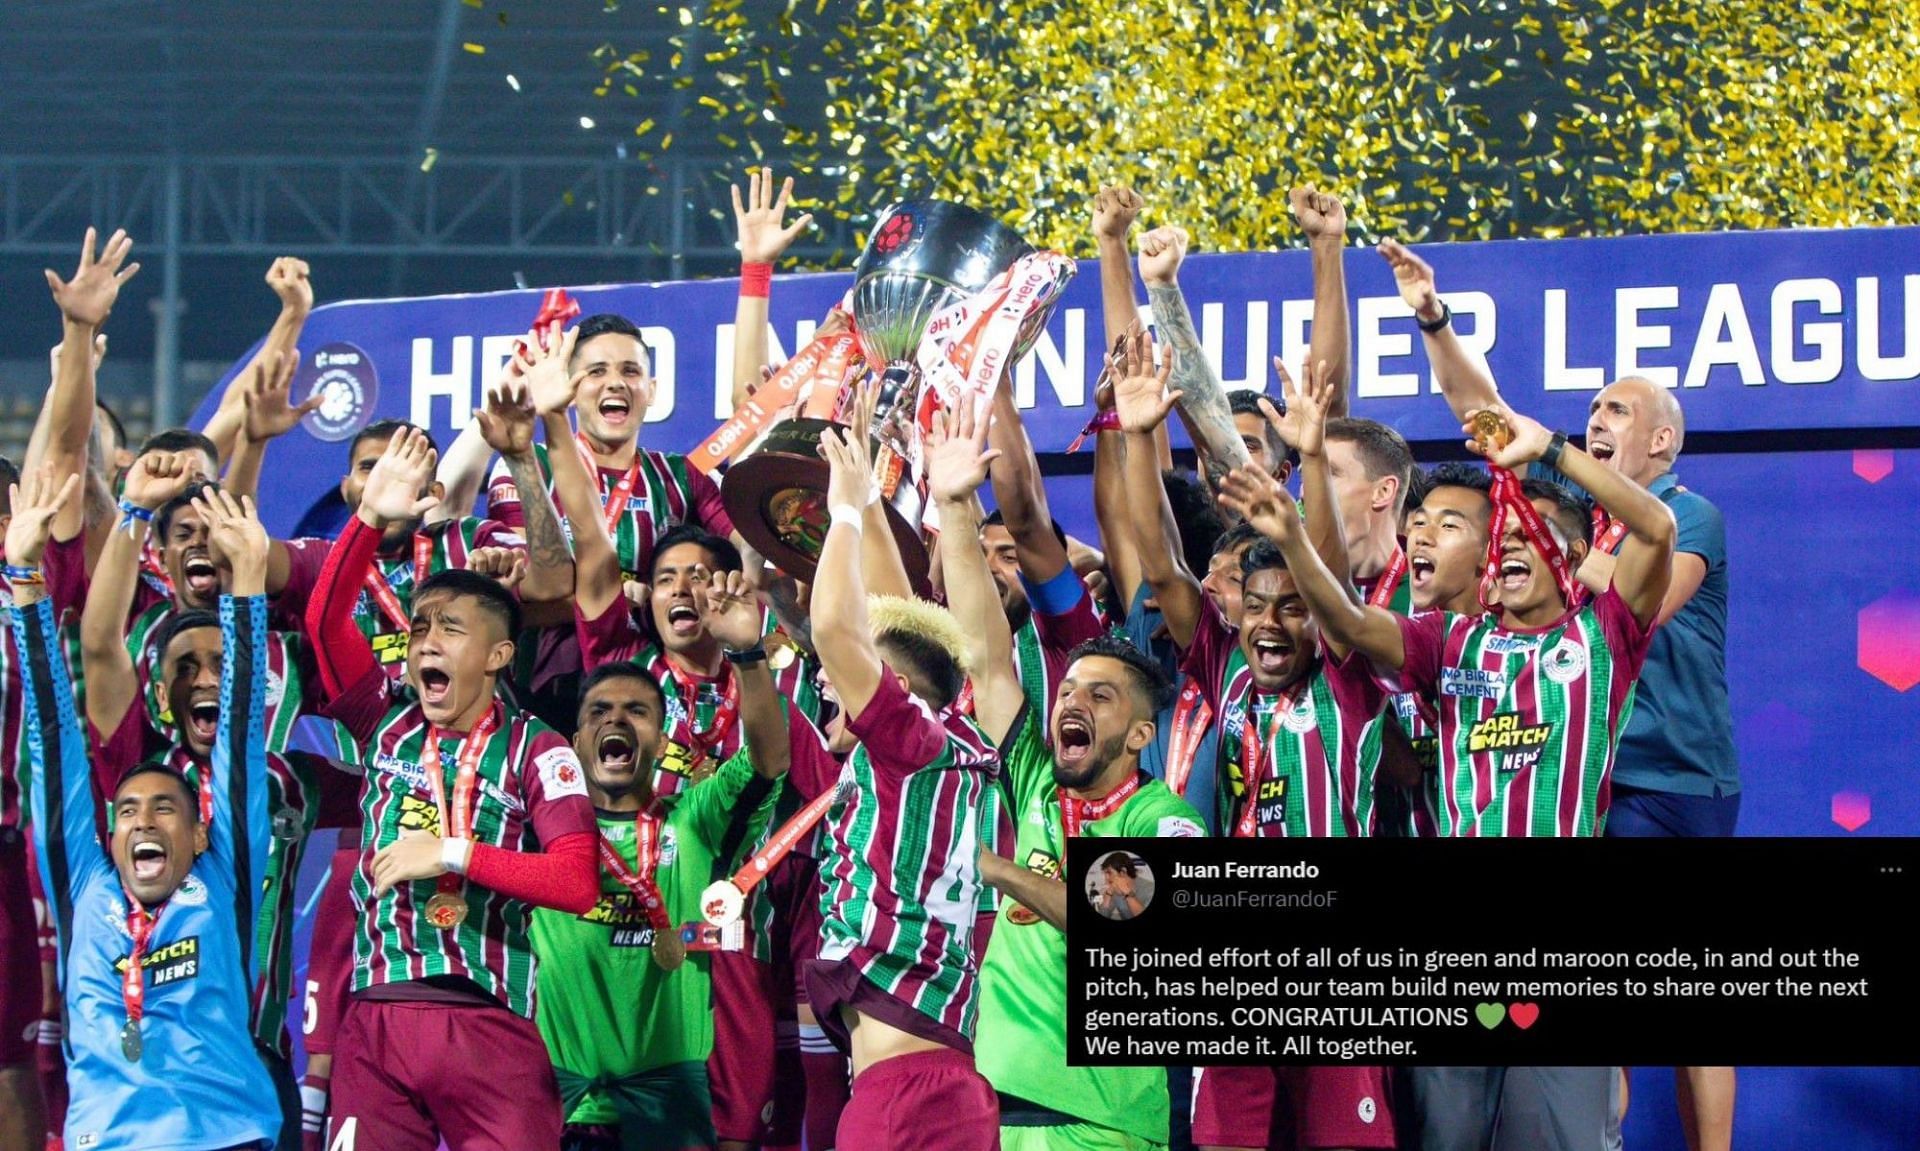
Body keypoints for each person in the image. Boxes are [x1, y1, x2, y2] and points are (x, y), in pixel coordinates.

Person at [1221, 383, 1675, 1150]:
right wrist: (1296, 538)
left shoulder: (1605, 640)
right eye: (1503, 540)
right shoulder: (1452, 641)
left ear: (1571, 555)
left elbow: (1656, 527)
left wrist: (1551, 451)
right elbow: (1352, 622)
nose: (1509, 552)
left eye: (1529, 538)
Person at [1380, 235, 1738, 1149]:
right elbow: (1485, 414)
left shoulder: (1679, 512)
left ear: (1658, 439)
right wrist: (1433, 317)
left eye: (1615, 410)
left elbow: (1634, 594)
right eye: (1590, 410)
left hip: (1671, 781)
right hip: (1578, 789)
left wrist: (1556, 498)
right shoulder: (1555, 527)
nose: (1595, 419)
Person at [301, 426, 599, 1151]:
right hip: (378, 1021)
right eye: (422, 625)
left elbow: (576, 880)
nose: (427, 639)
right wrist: (369, 517)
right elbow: (321, 620)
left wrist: (453, 851)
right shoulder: (384, 719)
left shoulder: (541, 748)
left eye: (452, 628)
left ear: (498, 653)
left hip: (490, 1024)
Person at [12, 464, 279, 1151]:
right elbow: (52, 734)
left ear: (199, 832)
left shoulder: (225, 877)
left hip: (227, 1136)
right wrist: (25, 579)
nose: (143, 821)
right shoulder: (87, 884)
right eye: (127, 810)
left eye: (165, 809)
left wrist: (246, 585)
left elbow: (242, 734)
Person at [532, 563, 794, 1151]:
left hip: (670, 1097)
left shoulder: (693, 818)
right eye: (598, 712)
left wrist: (749, 655)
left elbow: (769, 760)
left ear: (660, 738)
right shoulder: (539, 827)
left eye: (637, 712)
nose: (617, 720)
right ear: (575, 742)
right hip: (560, 1093)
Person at [808, 423, 1001, 1150]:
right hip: (942, 1079)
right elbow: (901, 621)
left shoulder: (906, 743)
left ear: (894, 689)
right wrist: (878, 487)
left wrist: (848, 510)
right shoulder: (953, 741)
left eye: (850, 677)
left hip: (903, 1098)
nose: (826, 681)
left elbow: (835, 627)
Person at [1092, 854, 1145, 921]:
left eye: (1109, 873)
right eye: (1105, 874)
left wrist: (1127, 892)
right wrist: (1108, 893)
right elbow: (1104, 914)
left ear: (1123, 871)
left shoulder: (1149, 888)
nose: (1106, 879)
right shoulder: (1115, 889)